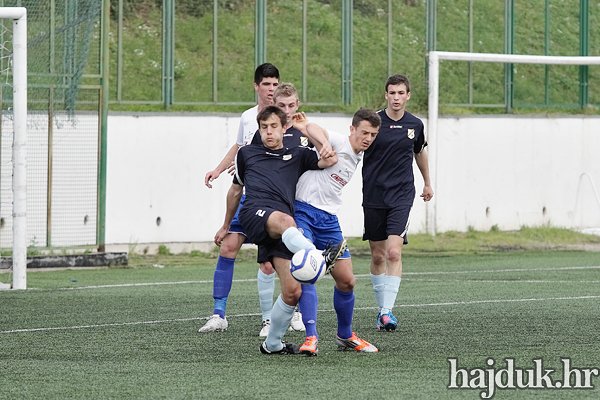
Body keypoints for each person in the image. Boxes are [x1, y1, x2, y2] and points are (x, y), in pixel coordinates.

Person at [223, 106, 345, 354]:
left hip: (283, 233)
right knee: (286, 221)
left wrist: (313, 136)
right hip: (256, 214)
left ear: (284, 128)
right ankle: (320, 257)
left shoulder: (298, 154)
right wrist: (226, 225)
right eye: (264, 127)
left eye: (274, 126)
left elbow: (331, 159)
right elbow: (236, 190)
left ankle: (272, 344)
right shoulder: (246, 154)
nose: (268, 132)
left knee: (292, 291)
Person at [200, 63, 284, 334]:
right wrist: (220, 168)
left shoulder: (284, 119)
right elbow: (239, 147)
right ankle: (218, 315)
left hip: (274, 202)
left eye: (275, 84)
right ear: (256, 87)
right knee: (227, 248)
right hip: (249, 198)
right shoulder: (248, 118)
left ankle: (272, 319)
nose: (271, 90)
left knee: (270, 263)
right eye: (267, 84)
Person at [290, 109, 382, 356]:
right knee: (308, 271)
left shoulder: (356, 155)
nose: (368, 138)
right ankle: (311, 338)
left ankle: (345, 336)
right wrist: (322, 141)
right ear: (352, 130)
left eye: (373, 134)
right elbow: (316, 130)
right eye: (364, 132)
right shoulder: (340, 141)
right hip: (303, 212)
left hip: (329, 220)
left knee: (347, 280)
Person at [362, 74, 433, 332]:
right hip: (373, 195)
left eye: (401, 93)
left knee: (393, 252)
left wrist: (427, 182)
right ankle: (382, 310)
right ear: (386, 95)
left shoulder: (415, 124)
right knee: (378, 255)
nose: (396, 98)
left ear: (408, 96)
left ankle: (386, 311)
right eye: (392, 93)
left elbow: (419, 152)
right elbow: (357, 147)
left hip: (402, 196)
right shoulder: (374, 123)